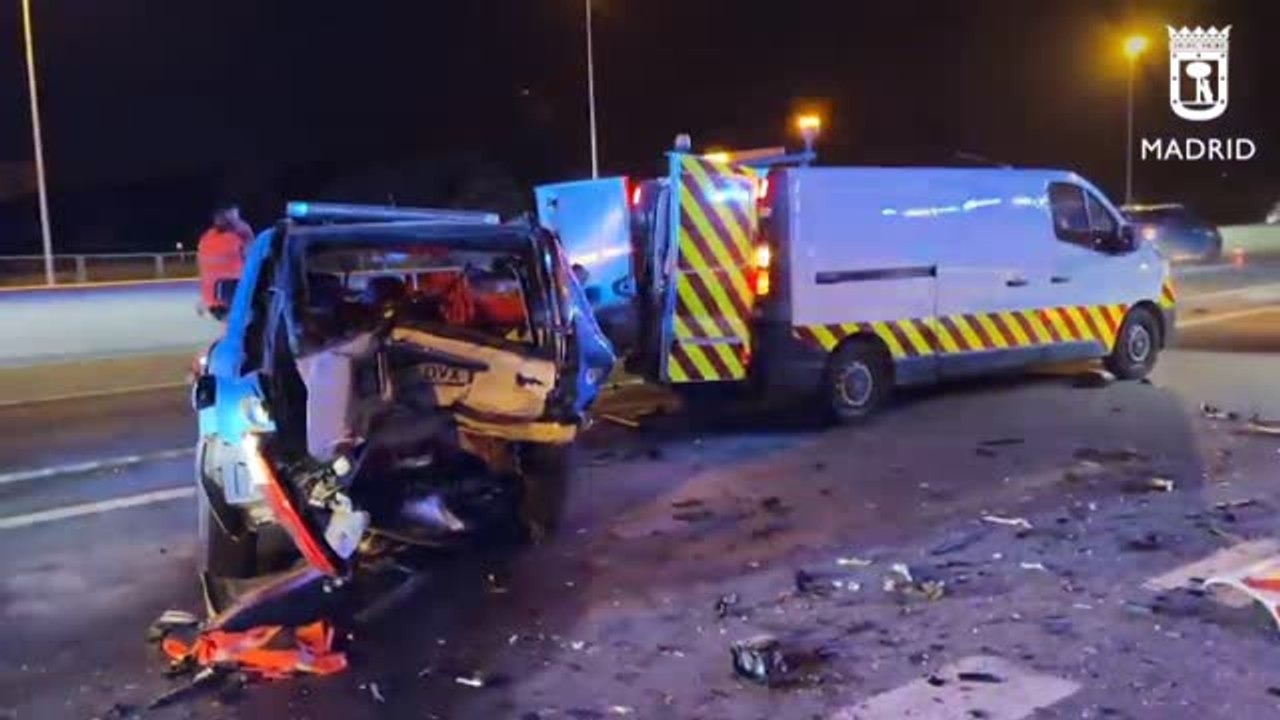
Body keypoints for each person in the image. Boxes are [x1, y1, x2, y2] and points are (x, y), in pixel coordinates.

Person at [197, 205, 253, 320]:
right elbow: (252, 256)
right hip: (230, 294)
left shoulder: (206, 237)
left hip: (212, 299)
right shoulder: (235, 239)